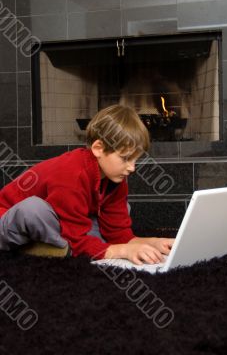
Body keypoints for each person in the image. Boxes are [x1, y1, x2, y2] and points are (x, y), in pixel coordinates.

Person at [0, 105, 174, 264]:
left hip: (62, 218)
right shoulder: (71, 174)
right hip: (8, 220)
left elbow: (119, 234)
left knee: (120, 212)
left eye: (135, 160)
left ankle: (49, 246)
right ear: (98, 148)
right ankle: (38, 247)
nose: (132, 168)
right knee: (34, 210)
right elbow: (80, 236)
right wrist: (120, 250)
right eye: (126, 158)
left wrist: (154, 242)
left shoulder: (116, 176)